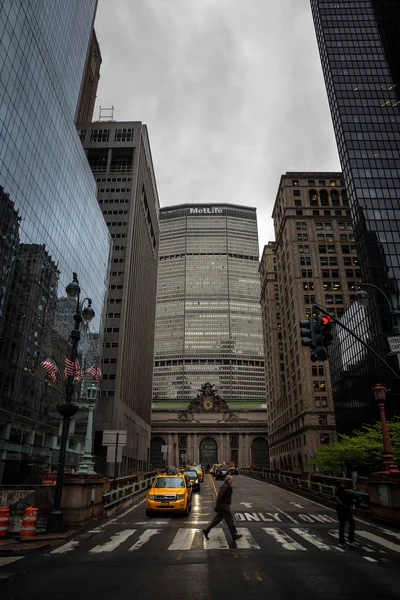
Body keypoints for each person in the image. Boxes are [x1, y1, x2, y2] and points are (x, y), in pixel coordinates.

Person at [202, 475, 242, 543]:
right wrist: (217, 506)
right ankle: (233, 535)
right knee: (229, 519)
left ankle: (206, 530)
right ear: (228, 480)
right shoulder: (225, 487)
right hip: (224, 505)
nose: (232, 481)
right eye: (231, 480)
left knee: (217, 519)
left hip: (223, 505)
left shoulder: (226, 486)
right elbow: (219, 497)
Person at [335, 480, 357, 546]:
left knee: (342, 525)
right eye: (342, 483)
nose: (343, 485)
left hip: (340, 510)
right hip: (345, 510)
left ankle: (342, 541)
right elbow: (350, 498)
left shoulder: (338, 491)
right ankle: (350, 539)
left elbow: (337, 499)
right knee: (352, 524)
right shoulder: (343, 492)